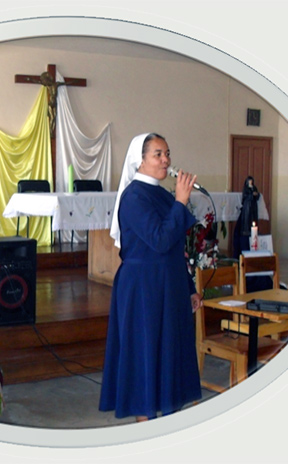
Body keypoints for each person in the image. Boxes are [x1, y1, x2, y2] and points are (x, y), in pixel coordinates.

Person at [100, 133, 202, 422]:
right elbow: (159, 240)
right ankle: (145, 425)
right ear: (140, 159)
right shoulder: (133, 197)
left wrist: (189, 287)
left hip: (169, 285)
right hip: (143, 288)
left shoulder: (162, 195)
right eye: (158, 154)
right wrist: (180, 202)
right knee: (144, 354)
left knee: (169, 353)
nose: (166, 160)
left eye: (167, 153)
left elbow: (174, 247)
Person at [232, 175, 259, 258]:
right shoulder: (246, 189)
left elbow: (257, 196)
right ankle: (247, 231)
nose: (250, 182)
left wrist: (256, 194)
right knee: (246, 221)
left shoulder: (254, 188)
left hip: (253, 207)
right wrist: (251, 195)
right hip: (247, 207)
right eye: (249, 181)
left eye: (251, 181)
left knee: (253, 220)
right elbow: (245, 196)